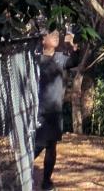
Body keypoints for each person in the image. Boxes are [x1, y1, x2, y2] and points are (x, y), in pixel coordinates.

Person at [35, 29, 72, 188]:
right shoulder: (35, 60)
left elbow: (74, 61)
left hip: (55, 111)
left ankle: (46, 181)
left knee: (52, 146)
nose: (56, 36)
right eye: (52, 34)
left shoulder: (60, 58)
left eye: (58, 34)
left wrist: (73, 46)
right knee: (38, 145)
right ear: (43, 39)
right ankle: (19, 171)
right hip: (39, 110)